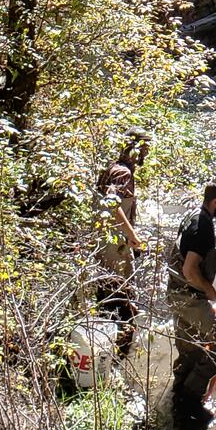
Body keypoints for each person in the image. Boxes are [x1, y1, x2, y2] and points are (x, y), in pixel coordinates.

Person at [165, 179, 216, 430]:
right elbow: (189, 269)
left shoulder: (191, 216)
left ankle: (177, 407)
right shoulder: (202, 226)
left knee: (190, 352)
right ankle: (190, 398)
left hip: (177, 294)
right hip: (190, 298)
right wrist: (209, 290)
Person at [95, 132, 149, 352]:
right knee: (121, 294)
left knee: (108, 292)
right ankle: (119, 349)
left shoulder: (113, 167)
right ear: (135, 149)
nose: (146, 153)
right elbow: (110, 203)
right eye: (144, 149)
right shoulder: (123, 172)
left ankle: (107, 344)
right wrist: (132, 235)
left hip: (110, 242)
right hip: (115, 245)